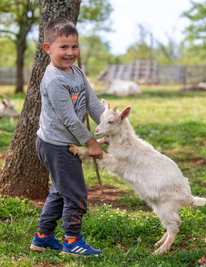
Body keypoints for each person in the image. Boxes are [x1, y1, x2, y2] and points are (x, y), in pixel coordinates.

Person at [30, 18, 104, 256]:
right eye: (63, 47)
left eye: (74, 46)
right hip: (56, 145)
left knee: (61, 191)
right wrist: (91, 142)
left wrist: (109, 127)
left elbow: (92, 104)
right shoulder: (54, 79)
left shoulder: (76, 71)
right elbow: (70, 120)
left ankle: (42, 238)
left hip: (62, 142)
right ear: (48, 48)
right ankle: (72, 242)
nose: (70, 52)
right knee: (75, 194)